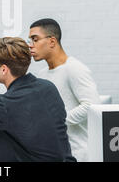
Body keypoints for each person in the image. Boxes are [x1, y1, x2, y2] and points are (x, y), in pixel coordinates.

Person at [28, 18, 100, 162]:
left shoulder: (74, 68)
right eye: (30, 40)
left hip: (79, 154)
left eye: (35, 40)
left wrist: (57, 121)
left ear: (52, 41)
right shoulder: (42, 75)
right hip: (54, 153)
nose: (30, 46)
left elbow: (91, 106)